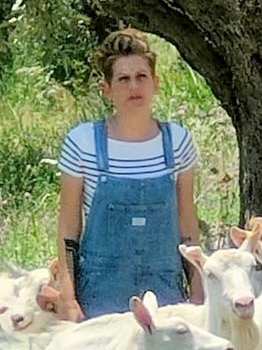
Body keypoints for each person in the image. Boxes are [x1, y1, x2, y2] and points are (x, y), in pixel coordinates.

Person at [56, 28, 204, 320]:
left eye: (141, 77)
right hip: (100, 294)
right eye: (123, 79)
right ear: (107, 88)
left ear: (155, 83)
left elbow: (187, 224)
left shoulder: (178, 142)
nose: (133, 86)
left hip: (165, 294)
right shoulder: (82, 142)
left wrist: (198, 291)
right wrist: (69, 298)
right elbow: (68, 230)